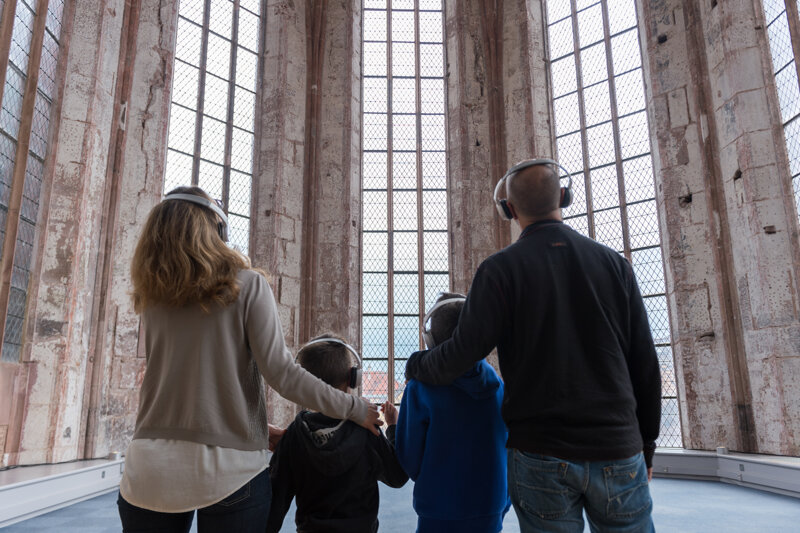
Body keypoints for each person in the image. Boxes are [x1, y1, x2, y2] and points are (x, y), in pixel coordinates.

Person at [404, 159, 662, 533]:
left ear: (509, 209)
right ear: (564, 195)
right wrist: (647, 444)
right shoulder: (615, 265)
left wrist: (416, 365)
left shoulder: (499, 271)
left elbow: (461, 354)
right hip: (617, 446)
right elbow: (645, 364)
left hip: (540, 451)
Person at [118, 187, 382, 533]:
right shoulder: (247, 285)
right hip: (229, 470)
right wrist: (355, 408)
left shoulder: (151, 297)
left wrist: (255, 428)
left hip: (148, 466)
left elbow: (178, 387)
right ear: (217, 231)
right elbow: (283, 375)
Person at [266, 335, 408, 533]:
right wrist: (392, 427)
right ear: (352, 378)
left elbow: (274, 505)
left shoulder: (296, 433)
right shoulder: (365, 429)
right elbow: (397, 477)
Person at [397, 292, 510, 533]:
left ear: (430, 340)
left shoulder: (420, 389)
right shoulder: (499, 386)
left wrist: (394, 428)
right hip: (491, 506)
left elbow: (409, 460)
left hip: (440, 509)